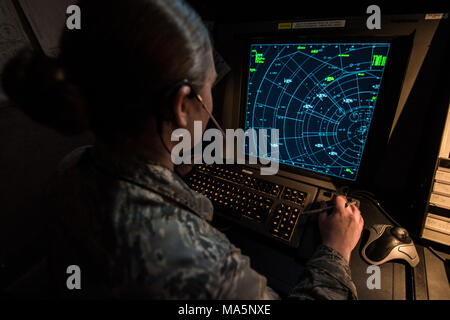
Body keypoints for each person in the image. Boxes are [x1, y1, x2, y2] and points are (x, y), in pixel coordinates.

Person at [2, 0, 363, 299]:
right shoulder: (201, 266)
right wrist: (336, 252)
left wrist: (168, 163)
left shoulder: (72, 167)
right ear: (182, 104)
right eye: (210, 84)